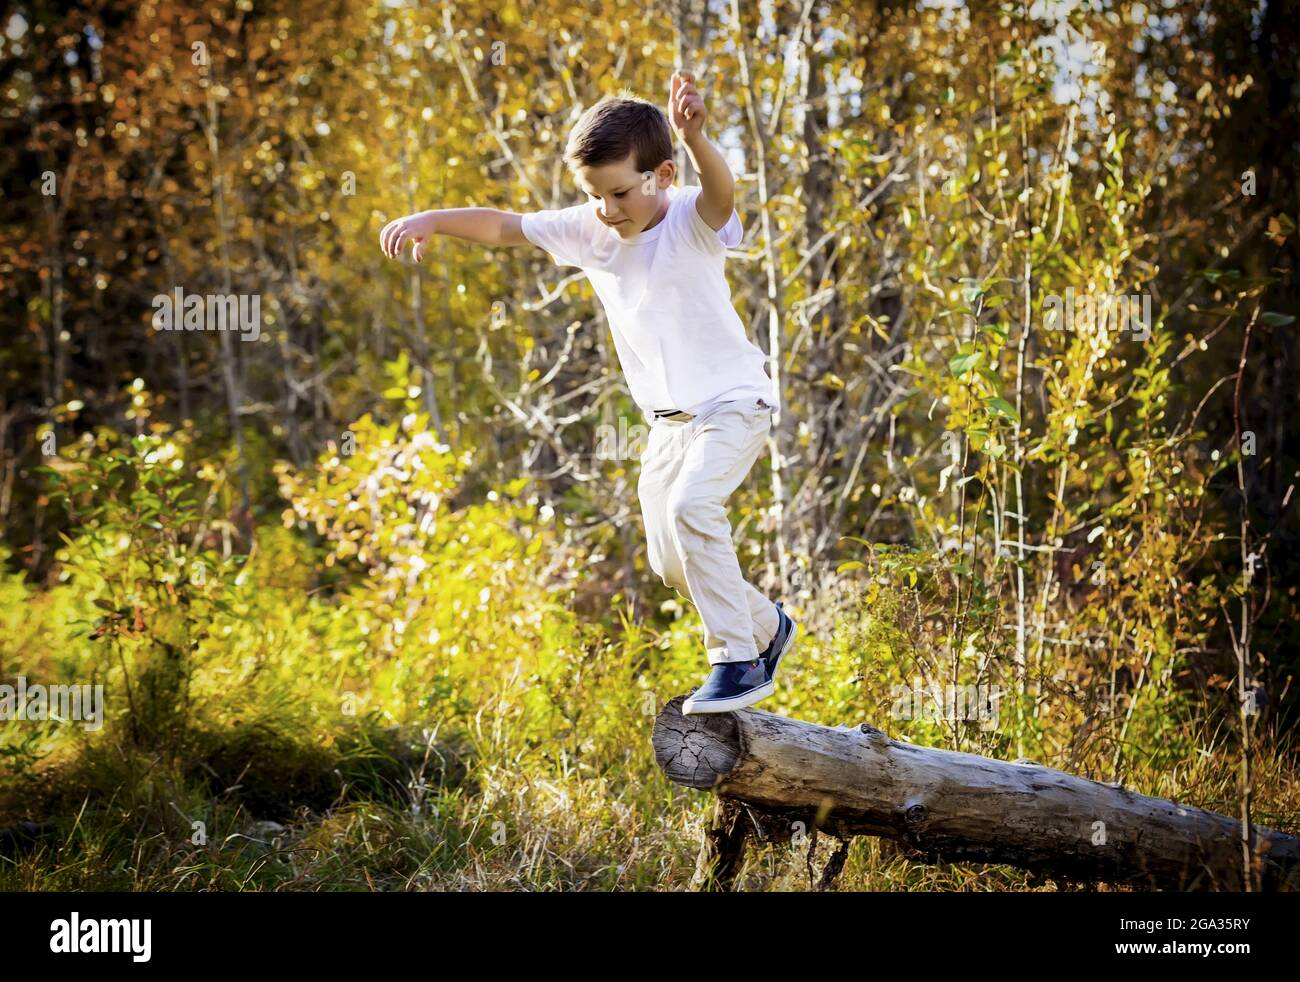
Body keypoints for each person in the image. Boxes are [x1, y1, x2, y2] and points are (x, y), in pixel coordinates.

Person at [379, 70, 797, 714]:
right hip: (667, 425)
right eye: (596, 195)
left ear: (660, 174)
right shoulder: (591, 227)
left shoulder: (689, 217)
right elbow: (502, 227)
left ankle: (737, 661)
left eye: (621, 192)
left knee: (693, 508)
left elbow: (722, 192)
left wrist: (695, 139)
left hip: (735, 403)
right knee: (671, 562)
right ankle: (769, 625)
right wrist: (432, 218)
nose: (608, 210)